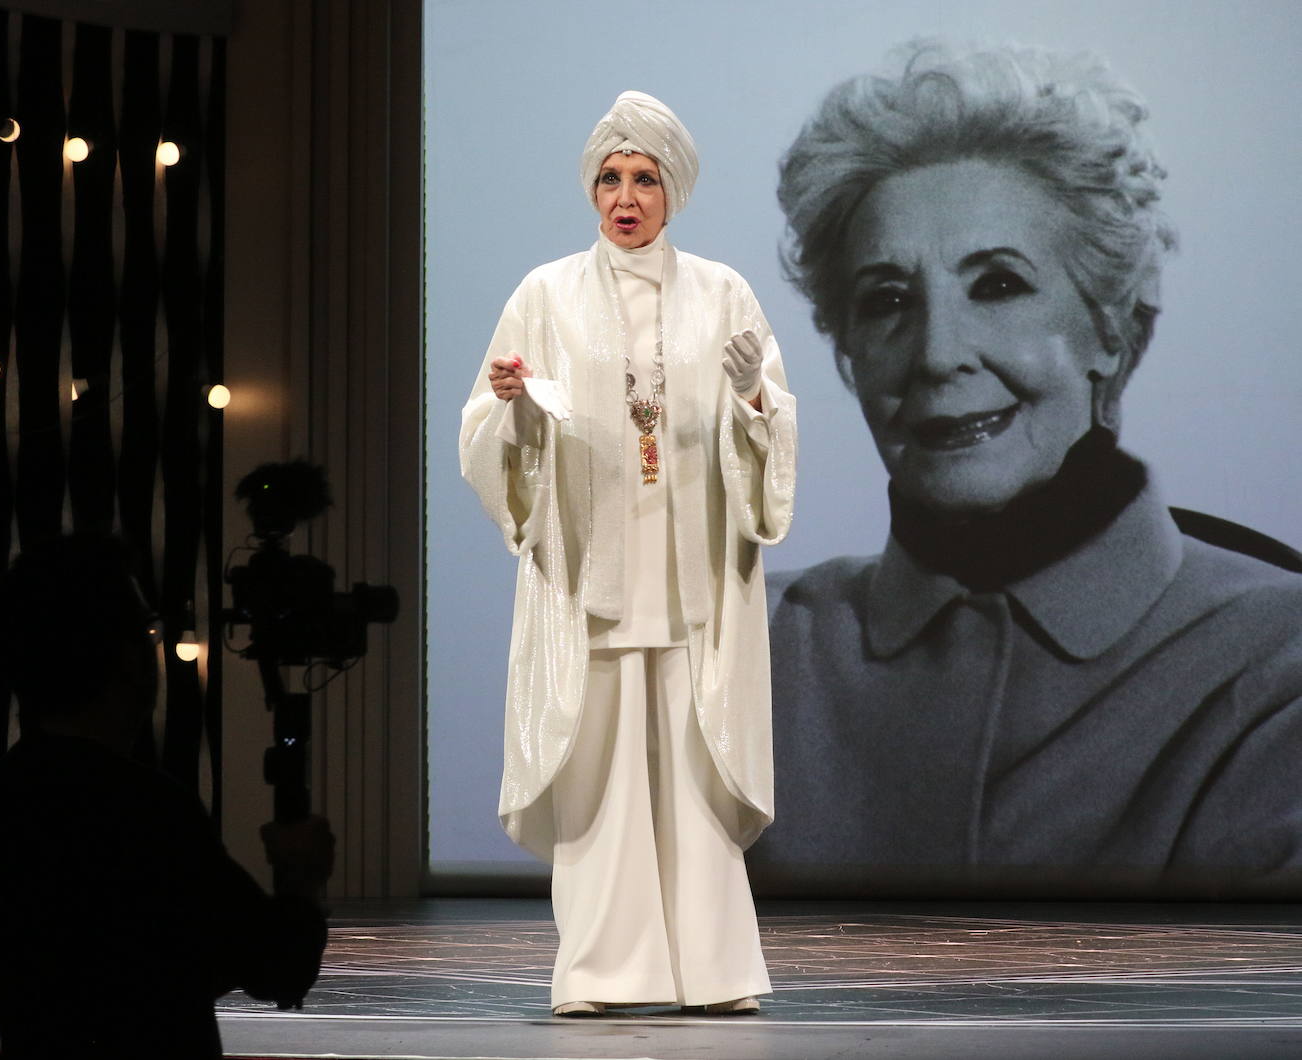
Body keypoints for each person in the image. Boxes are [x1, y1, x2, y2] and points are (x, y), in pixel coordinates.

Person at [754, 41, 1302, 899]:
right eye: (888, 302)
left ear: (1112, 326)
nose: (937, 355)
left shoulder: (1278, 663)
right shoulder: (737, 649)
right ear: (850, 352)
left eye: (1000, 286)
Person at [460, 91, 796, 1015]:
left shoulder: (723, 292)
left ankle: (714, 972)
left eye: (645, 178)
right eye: (611, 177)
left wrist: (754, 405)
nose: (626, 195)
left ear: (672, 191)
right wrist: (513, 406)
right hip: (592, 573)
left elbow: (771, 420)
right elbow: (487, 428)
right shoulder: (545, 294)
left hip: (690, 577)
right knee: (603, 776)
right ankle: (604, 971)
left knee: (692, 768)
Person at [0, 534, 334, 1057]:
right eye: (148, 630)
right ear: (126, 658)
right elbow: (277, 965)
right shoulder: (146, 809)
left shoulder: (5, 797)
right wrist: (304, 875)